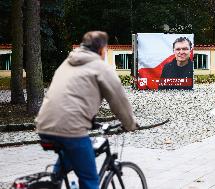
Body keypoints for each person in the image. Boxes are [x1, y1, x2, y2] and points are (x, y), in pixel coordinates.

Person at [35, 31, 138, 189]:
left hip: (44, 125)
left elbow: (68, 97)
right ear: (102, 49)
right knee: (90, 179)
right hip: (71, 129)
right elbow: (119, 100)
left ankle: (54, 182)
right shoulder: (101, 68)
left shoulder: (67, 63)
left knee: (69, 156)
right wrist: (130, 124)